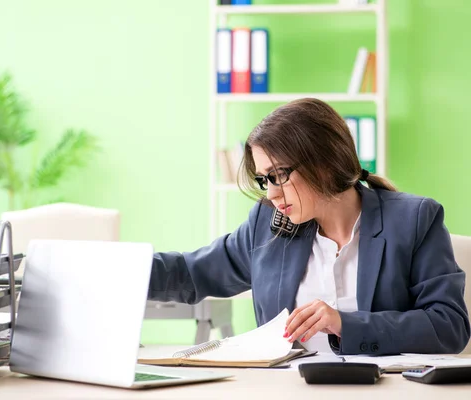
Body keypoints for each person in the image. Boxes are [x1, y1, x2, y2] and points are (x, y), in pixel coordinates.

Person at [148, 98, 470, 355]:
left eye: (279, 175)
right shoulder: (267, 226)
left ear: (324, 164)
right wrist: (118, 268)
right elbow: (191, 273)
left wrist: (346, 324)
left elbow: (449, 325)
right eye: (264, 179)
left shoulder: (415, 219)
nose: (271, 193)